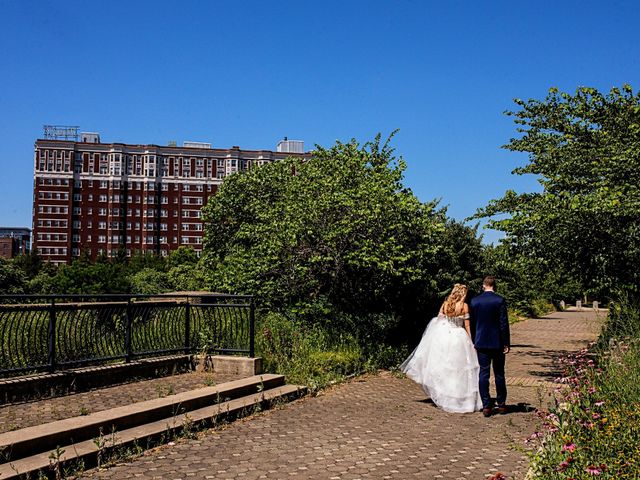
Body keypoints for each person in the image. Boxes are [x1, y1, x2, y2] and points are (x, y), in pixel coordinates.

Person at [401, 284, 482, 413]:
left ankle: (445, 394)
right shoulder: (464, 306)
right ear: (463, 294)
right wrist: (472, 342)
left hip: (445, 337)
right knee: (459, 369)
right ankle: (459, 398)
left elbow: (439, 319)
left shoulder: (445, 304)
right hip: (459, 337)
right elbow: (467, 327)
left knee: (445, 367)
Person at [469, 275, 510, 417]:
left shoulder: (474, 301)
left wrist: (474, 340)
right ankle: (502, 404)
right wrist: (506, 342)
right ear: (494, 285)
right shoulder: (500, 300)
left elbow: (473, 324)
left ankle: (486, 405)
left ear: (483, 285)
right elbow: (503, 323)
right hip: (497, 342)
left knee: (483, 373)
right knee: (499, 373)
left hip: (481, 341)